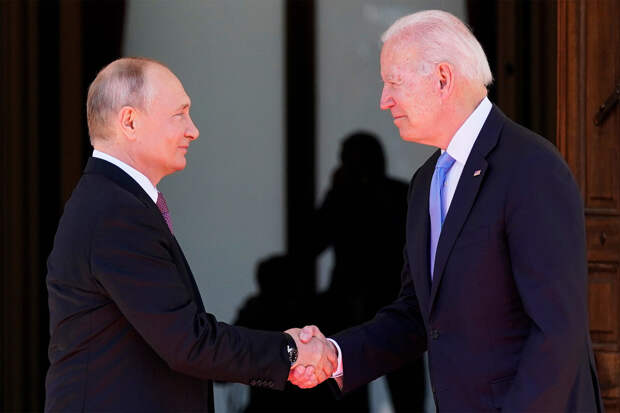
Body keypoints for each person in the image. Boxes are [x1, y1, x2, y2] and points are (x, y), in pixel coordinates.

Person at [289, 10, 604, 412]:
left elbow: (557, 332)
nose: (384, 100)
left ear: (442, 78)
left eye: (393, 82)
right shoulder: (426, 182)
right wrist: (335, 356)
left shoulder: (531, 167)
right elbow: (417, 314)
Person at [44, 57, 335, 412]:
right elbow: (188, 343)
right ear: (130, 122)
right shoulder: (115, 211)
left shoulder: (112, 201)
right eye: (179, 114)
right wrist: (290, 352)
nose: (193, 130)